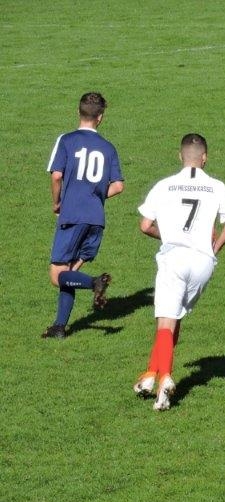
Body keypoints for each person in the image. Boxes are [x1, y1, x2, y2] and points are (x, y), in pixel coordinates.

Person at [133, 134, 225, 411]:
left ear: (180, 156)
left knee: (165, 322)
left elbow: (145, 225)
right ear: (204, 158)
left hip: (174, 259)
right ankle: (150, 374)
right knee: (175, 316)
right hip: (203, 262)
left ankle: (164, 380)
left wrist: (168, 235)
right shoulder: (216, 186)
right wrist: (216, 246)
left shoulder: (164, 185)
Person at [42, 92, 124, 339]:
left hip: (72, 216)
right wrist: (95, 195)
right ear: (101, 117)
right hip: (96, 219)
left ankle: (94, 282)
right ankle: (59, 327)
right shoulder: (108, 147)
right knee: (69, 274)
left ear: (78, 112)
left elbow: (57, 176)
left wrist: (57, 202)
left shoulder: (66, 140)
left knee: (57, 276)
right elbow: (118, 186)